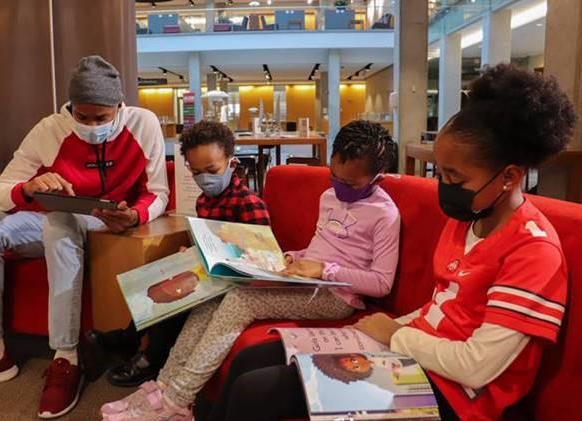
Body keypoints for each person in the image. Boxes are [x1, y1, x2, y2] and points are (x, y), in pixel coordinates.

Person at [212, 64, 577, 421]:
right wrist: (378, 329)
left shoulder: (534, 252)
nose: (443, 186)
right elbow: (440, 307)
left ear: (510, 177)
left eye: (455, 177)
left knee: (256, 391)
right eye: (440, 173)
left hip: (456, 396)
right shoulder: (468, 220)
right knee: (249, 361)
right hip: (413, 355)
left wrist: (395, 334)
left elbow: (477, 367)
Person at [99, 119, 401, 421]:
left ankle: (178, 399)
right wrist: (292, 257)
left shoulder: (385, 214)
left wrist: (325, 269)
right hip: (304, 282)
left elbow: (381, 283)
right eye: (334, 176)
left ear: (378, 179)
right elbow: (319, 247)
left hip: (338, 298)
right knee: (212, 298)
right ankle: (164, 385)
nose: (338, 188)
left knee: (240, 300)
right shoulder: (328, 197)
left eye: (350, 184)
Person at [0, 55, 170, 418]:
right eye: (82, 117)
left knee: (60, 224)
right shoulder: (49, 129)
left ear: (119, 106)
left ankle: (66, 358)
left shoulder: (142, 123)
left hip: (107, 224)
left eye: (101, 118)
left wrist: (135, 214)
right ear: (70, 107)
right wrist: (29, 187)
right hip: (53, 221)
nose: (91, 126)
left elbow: (158, 191)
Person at [86, 121, 270, 388]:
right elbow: (204, 238)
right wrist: (193, 251)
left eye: (211, 170)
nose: (204, 178)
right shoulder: (203, 200)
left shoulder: (249, 203)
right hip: (208, 272)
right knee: (160, 281)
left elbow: (262, 255)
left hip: (237, 281)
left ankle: (151, 357)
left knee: (178, 295)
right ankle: (128, 338)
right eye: (196, 172)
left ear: (231, 162)